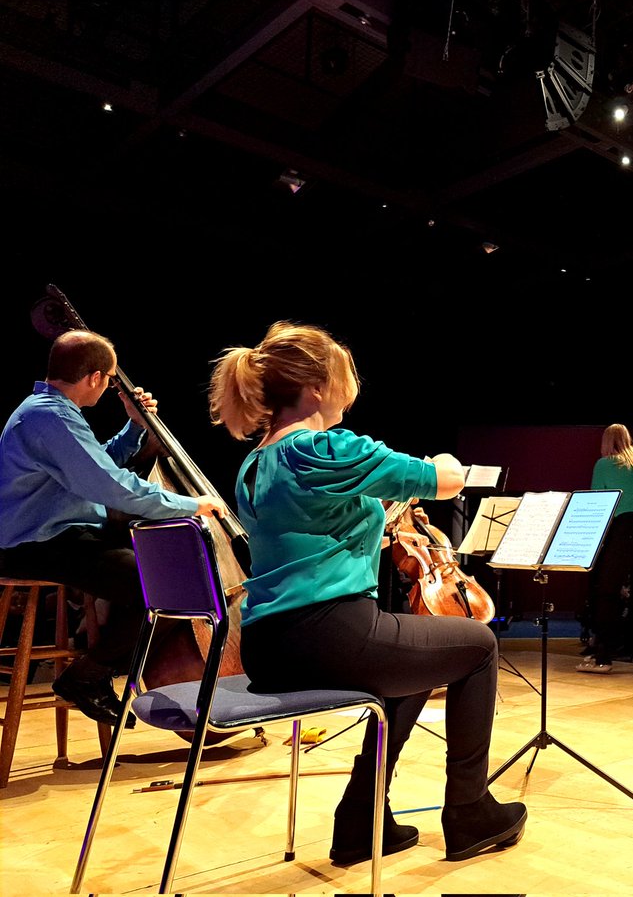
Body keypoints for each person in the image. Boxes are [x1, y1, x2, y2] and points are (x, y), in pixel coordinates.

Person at [207, 321, 525, 866]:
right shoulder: (326, 448)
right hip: (329, 633)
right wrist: (446, 467)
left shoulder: (256, 462)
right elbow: (443, 479)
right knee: (478, 645)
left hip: (268, 646)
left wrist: (375, 521)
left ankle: (362, 819)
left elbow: (316, 532)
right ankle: (469, 809)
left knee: (421, 657)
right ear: (317, 388)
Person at [0, 330, 225, 728]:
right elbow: (111, 485)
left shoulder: (52, 411)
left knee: (156, 573)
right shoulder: (49, 417)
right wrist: (193, 505)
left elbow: (97, 464)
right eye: (107, 381)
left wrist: (135, 427)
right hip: (35, 544)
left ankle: (100, 670)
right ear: (96, 378)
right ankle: (88, 676)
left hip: (56, 536)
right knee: (155, 583)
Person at [578, 423, 633, 674]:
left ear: (607, 442)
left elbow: (599, 500)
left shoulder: (604, 464)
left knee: (608, 593)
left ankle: (603, 658)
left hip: (624, 528)